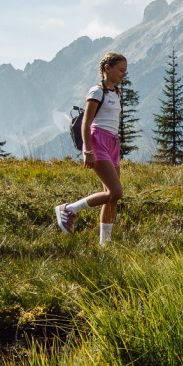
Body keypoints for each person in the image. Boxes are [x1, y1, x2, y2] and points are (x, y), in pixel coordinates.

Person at [53, 52, 128, 244]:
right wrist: (87, 151)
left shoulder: (115, 92)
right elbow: (86, 123)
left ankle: (105, 244)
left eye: (125, 71)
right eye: (121, 70)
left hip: (112, 143)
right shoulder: (96, 92)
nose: (124, 74)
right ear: (107, 68)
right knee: (116, 191)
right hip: (98, 141)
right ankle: (69, 209)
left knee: (111, 197)